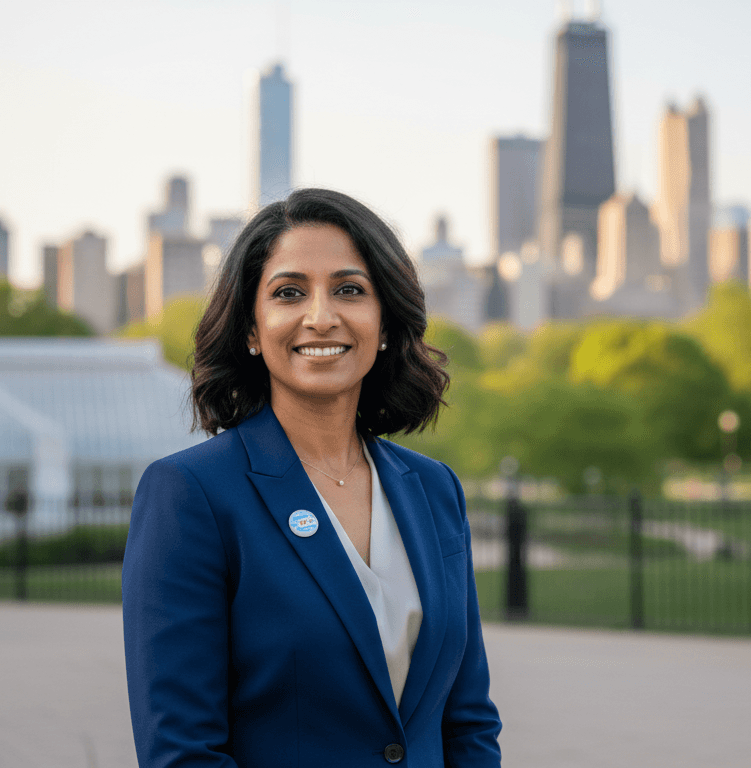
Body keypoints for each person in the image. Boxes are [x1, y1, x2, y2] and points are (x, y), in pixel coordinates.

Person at [122, 188, 502, 767]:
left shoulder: (435, 489)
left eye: (350, 290)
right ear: (252, 329)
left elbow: (468, 721)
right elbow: (182, 752)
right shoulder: (191, 495)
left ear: (384, 323)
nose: (321, 317)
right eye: (288, 293)